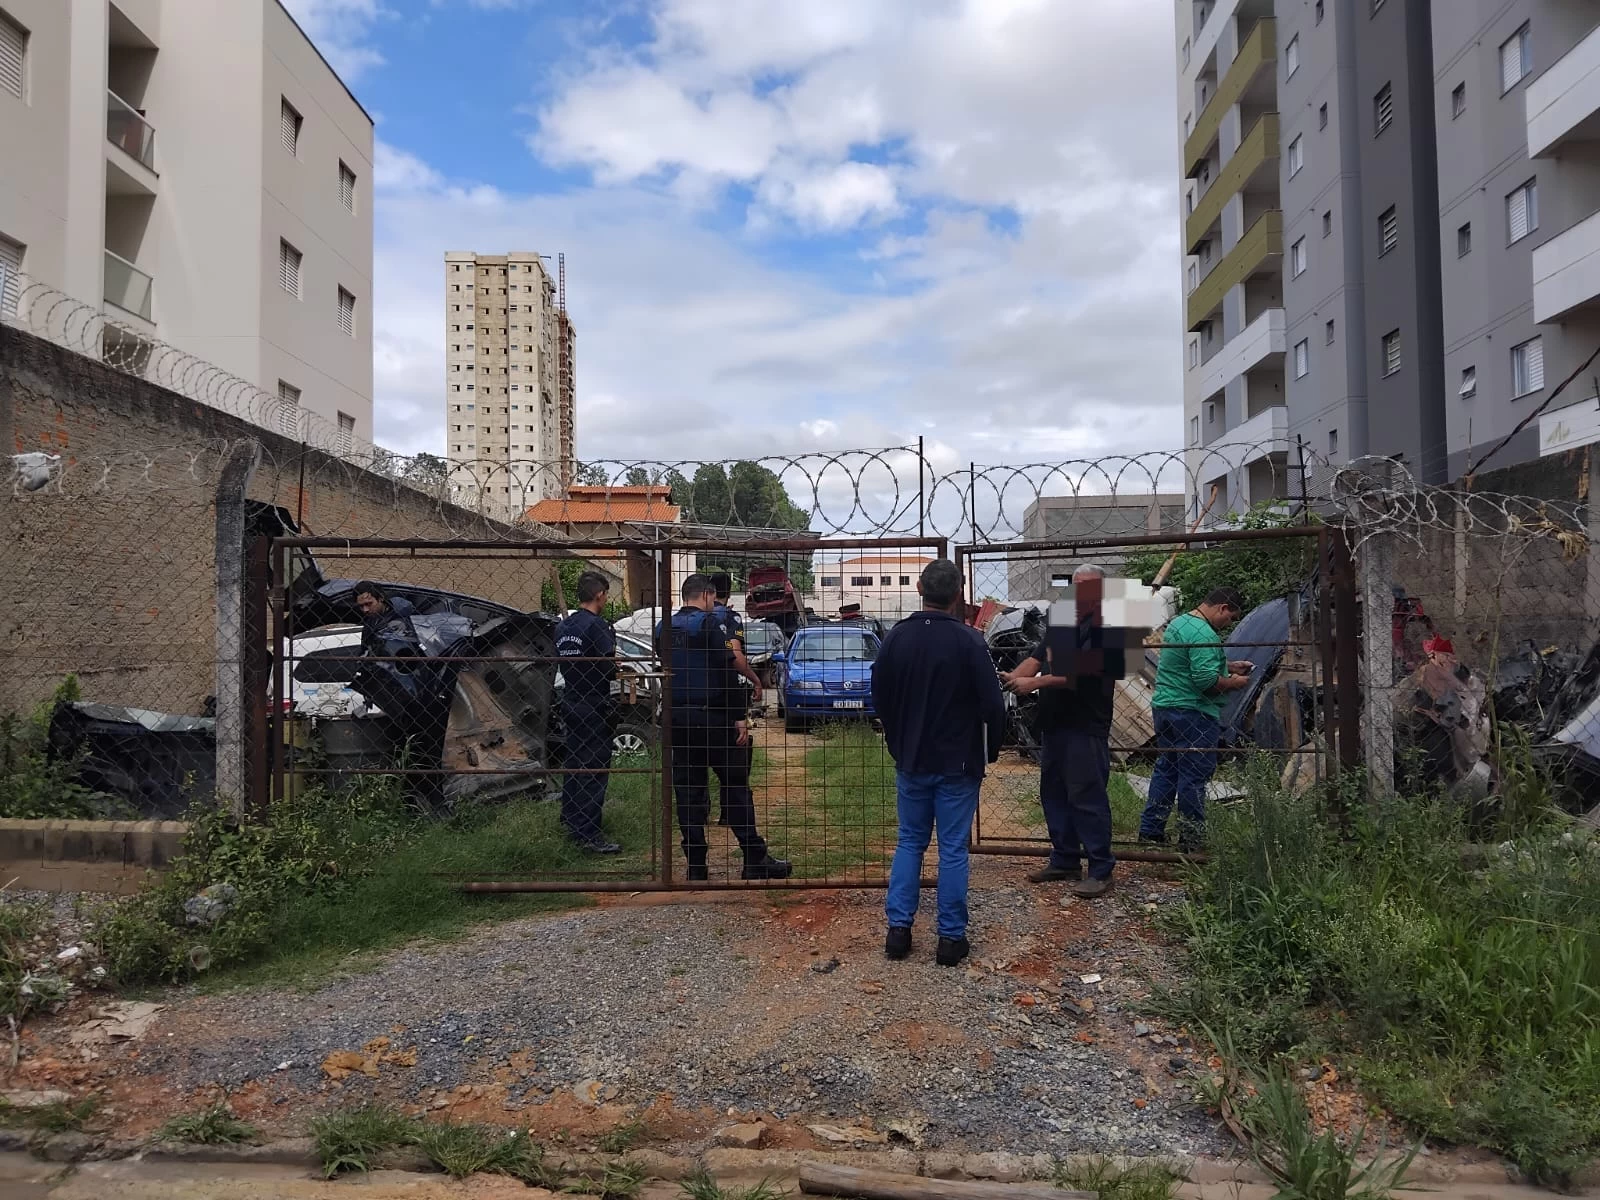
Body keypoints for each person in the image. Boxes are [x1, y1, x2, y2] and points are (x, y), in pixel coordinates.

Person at [871, 559, 1005, 967]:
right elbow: (993, 706)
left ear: (918, 588)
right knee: (952, 849)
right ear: (958, 594)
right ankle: (950, 939)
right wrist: (991, 750)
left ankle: (899, 932)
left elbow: (880, 695)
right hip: (959, 762)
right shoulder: (969, 642)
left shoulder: (897, 638)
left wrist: (897, 740)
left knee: (910, 841)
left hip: (912, 758)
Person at [660, 574, 792, 883]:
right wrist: (738, 715)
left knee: (688, 794)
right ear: (707, 595)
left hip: (678, 720)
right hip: (715, 719)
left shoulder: (664, 627)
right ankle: (754, 857)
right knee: (735, 789)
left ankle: (696, 865)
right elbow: (727, 670)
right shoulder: (710, 624)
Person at [1001, 564, 1120, 899]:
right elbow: (1036, 659)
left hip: (1086, 724)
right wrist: (1013, 677)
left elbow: (1076, 676)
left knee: (1087, 797)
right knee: (1054, 793)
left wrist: (1031, 683)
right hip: (1055, 722)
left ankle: (1100, 868)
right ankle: (1065, 858)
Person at [1137, 586, 1253, 851]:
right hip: (1193, 712)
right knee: (1194, 776)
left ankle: (1151, 832)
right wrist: (1234, 683)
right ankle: (1191, 840)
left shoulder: (1180, 623)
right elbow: (1206, 681)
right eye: (1231, 617)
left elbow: (1186, 663)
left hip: (1165, 708)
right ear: (1223, 607)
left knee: (1167, 768)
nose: (1229, 623)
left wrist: (1228, 665)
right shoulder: (1204, 632)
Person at [350, 582, 449, 813]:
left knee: (428, 751)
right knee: (405, 751)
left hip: (422, 696)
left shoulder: (404, 615)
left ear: (381, 598)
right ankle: (411, 804)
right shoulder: (371, 623)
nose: (365, 609)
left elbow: (417, 649)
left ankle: (437, 803)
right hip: (397, 699)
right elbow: (368, 656)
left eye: (368, 604)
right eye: (361, 606)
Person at [555, 571, 621, 854]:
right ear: (600, 595)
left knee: (573, 764)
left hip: (571, 699)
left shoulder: (563, 626)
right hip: (594, 702)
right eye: (606, 595)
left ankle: (570, 820)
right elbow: (607, 667)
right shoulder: (597, 626)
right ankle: (589, 834)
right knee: (594, 769)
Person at [708, 571, 761, 827]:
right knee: (736, 753)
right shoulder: (729, 618)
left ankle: (699, 812)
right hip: (729, 694)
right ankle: (729, 811)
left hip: (698, 697)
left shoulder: (693, 617)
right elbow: (735, 655)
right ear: (728, 592)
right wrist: (755, 678)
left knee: (696, 759)